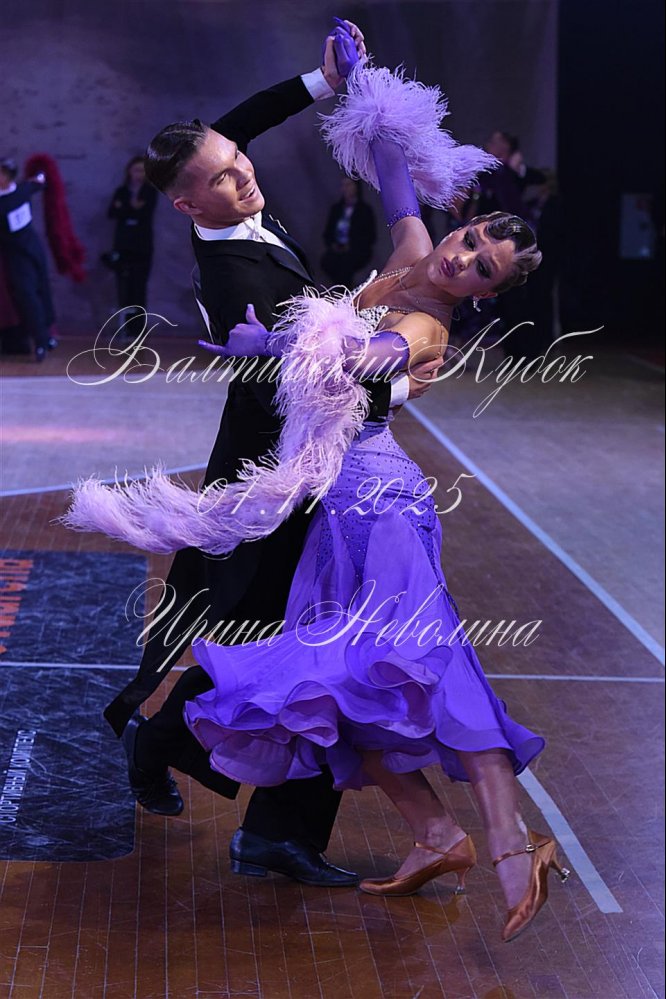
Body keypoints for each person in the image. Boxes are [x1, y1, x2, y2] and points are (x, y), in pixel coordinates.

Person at [68, 51, 568, 942]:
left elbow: (361, 361)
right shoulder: (408, 252)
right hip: (324, 497)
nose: (461, 257)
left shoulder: (427, 327)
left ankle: (500, 843)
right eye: (470, 240)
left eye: (481, 268)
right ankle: (439, 834)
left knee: (405, 668)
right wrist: (365, 92)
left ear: (486, 292)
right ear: (461, 225)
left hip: (373, 507)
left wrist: (266, 347)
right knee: (331, 677)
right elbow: (394, 179)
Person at [98, 21, 439, 889]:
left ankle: (227, 795)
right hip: (276, 480)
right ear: (188, 205)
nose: (243, 174)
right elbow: (302, 389)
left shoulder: (229, 196)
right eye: (221, 176)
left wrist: (322, 82)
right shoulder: (235, 284)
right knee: (295, 645)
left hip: (305, 467)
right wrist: (400, 386)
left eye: (236, 160)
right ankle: (228, 796)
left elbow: (238, 123)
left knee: (294, 646)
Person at [0, 157, 57, 361]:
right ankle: (40, 340)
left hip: (33, 250)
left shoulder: (23, 189)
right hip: (15, 256)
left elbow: (41, 179)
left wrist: (42, 173)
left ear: (8, 176)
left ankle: (47, 336)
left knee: (42, 290)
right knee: (27, 294)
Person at [106, 156, 157, 337]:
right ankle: (125, 326)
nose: (138, 175)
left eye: (142, 171)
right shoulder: (121, 192)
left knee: (139, 287)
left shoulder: (149, 192)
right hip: (122, 245)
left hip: (141, 246)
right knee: (123, 287)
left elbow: (144, 213)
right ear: (129, 171)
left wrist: (125, 208)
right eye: (136, 170)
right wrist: (131, 207)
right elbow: (113, 212)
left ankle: (138, 328)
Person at [321, 177, 376, 286]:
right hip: (337, 249)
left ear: (356, 187)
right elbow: (328, 232)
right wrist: (333, 245)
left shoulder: (364, 210)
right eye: (343, 185)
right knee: (329, 262)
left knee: (345, 264)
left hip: (357, 250)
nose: (345, 188)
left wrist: (352, 245)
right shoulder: (336, 209)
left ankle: (345, 291)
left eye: (348, 185)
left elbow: (370, 236)